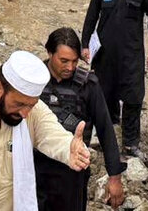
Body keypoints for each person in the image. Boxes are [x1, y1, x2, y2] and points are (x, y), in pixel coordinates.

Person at [0, 50, 92, 211]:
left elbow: (53, 135)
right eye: (19, 104)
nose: (25, 113)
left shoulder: (34, 112)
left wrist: (70, 149)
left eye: (31, 105)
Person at [81, 0, 148, 159]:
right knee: (103, 95)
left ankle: (131, 144)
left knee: (134, 98)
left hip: (132, 56)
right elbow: (90, 19)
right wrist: (85, 45)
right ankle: (105, 134)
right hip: (104, 56)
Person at [36, 29, 125, 211]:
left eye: (74, 61)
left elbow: (105, 130)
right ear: (50, 53)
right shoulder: (33, 80)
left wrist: (114, 177)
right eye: (64, 61)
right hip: (34, 168)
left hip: (71, 173)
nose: (70, 67)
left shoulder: (88, 85)